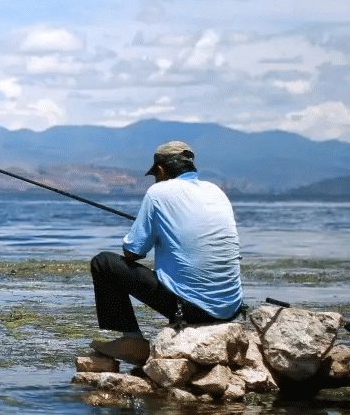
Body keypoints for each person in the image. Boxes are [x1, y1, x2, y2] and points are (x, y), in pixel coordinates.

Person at [87, 140, 243, 363]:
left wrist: (152, 233)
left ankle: (131, 339)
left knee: (104, 263)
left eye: (155, 174)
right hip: (231, 308)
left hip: (192, 310)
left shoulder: (158, 192)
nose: (155, 178)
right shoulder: (217, 192)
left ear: (161, 169)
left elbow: (133, 252)